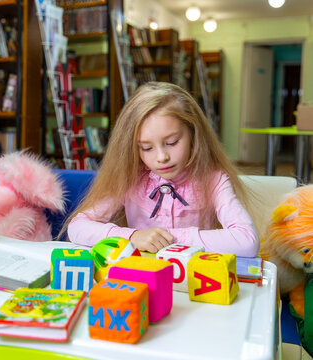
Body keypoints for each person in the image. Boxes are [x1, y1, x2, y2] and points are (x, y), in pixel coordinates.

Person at [66, 82, 259, 257]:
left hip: (194, 283)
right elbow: (77, 227)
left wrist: (170, 239)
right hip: (142, 280)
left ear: (193, 133)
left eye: (172, 142)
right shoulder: (130, 178)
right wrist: (132, 236)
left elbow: (247, 241)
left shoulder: (214, 179)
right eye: (146, 148)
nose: (161, 157)